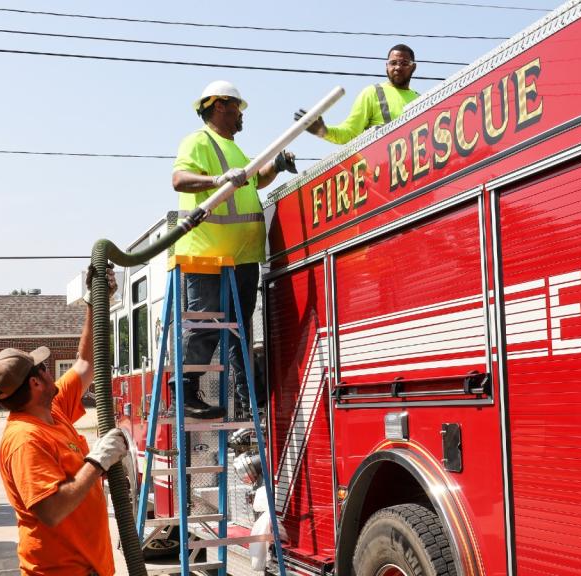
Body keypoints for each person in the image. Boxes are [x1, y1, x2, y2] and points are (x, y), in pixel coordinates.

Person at [0, 266, 126, 576]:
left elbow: (87, 363)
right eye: (44, 368)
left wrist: (97, 300)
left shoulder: (54, 409)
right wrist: (97, 463)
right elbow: (51, 511)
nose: (50, 370)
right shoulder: (25, 440)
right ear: (36, 384)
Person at [172, 80, 296, 419]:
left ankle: (245, 399)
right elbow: (180, 179)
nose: (242, 115)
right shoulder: (199, 141)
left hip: (242, 257)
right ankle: (184, 390)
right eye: (237, 108)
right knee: (206, 324)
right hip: (208, 254)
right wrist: (217, 180)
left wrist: (275, 167)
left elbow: (255, 181)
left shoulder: (236, 150)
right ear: (219, 106)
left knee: (239, 330)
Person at [296, 44, 420, 144]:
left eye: (404, 63)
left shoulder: (420, 99)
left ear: (413, 68)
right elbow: (350, 132)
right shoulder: (373, 93)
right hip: (383, 169)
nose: (398, 67)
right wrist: (322, 131)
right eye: (393, 63)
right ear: (386, 66)